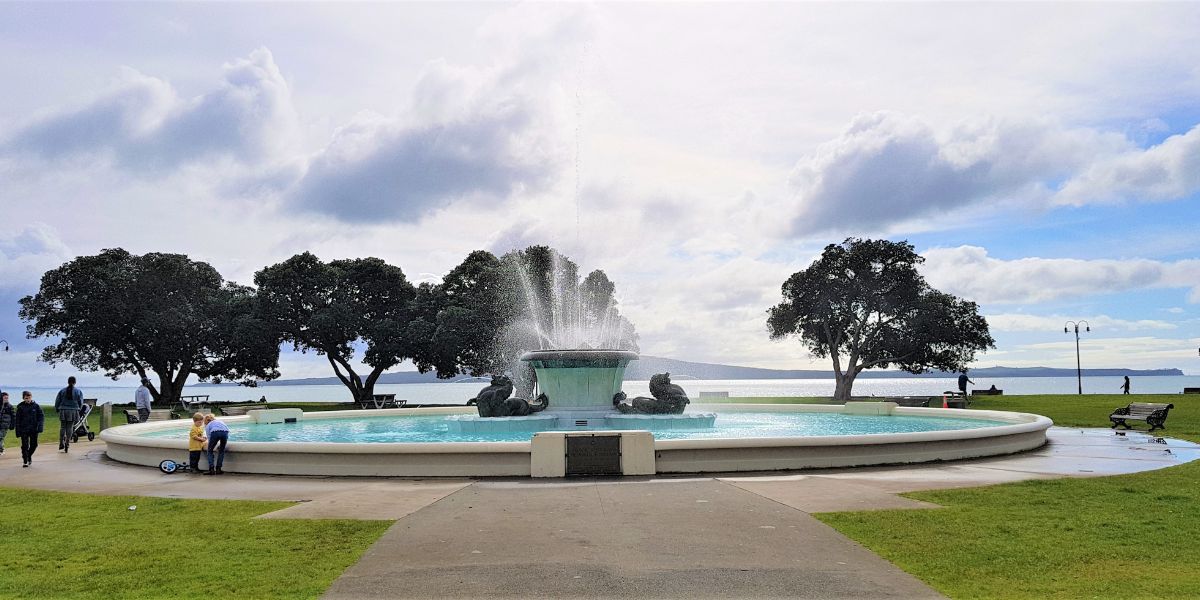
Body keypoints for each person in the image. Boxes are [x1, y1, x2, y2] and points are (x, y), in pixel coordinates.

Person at [54, 376, 83, 452]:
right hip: (73, 411)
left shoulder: (62, 391)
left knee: (63, 427)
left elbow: (57, 401)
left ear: (68, 382)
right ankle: (67, 442)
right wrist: (79, 408)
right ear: (75, 382)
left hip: (63, 410)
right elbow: (81, 402)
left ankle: (61, 443)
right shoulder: (78, 391)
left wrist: (57, 408)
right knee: (70, 427)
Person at [15, 391, 44, 467]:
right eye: (26, 398)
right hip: (23, 429)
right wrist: (17, 431)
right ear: (23, 398)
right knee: (25, 445)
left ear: (31, 397)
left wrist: (40, 426)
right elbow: (17, 420)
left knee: (34, 445)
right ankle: (25, 461)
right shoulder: (20, 407)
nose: (28, 399)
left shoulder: (36, 406)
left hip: (34, 429)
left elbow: (41, 417)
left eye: (29, 398)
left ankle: (28, 455)